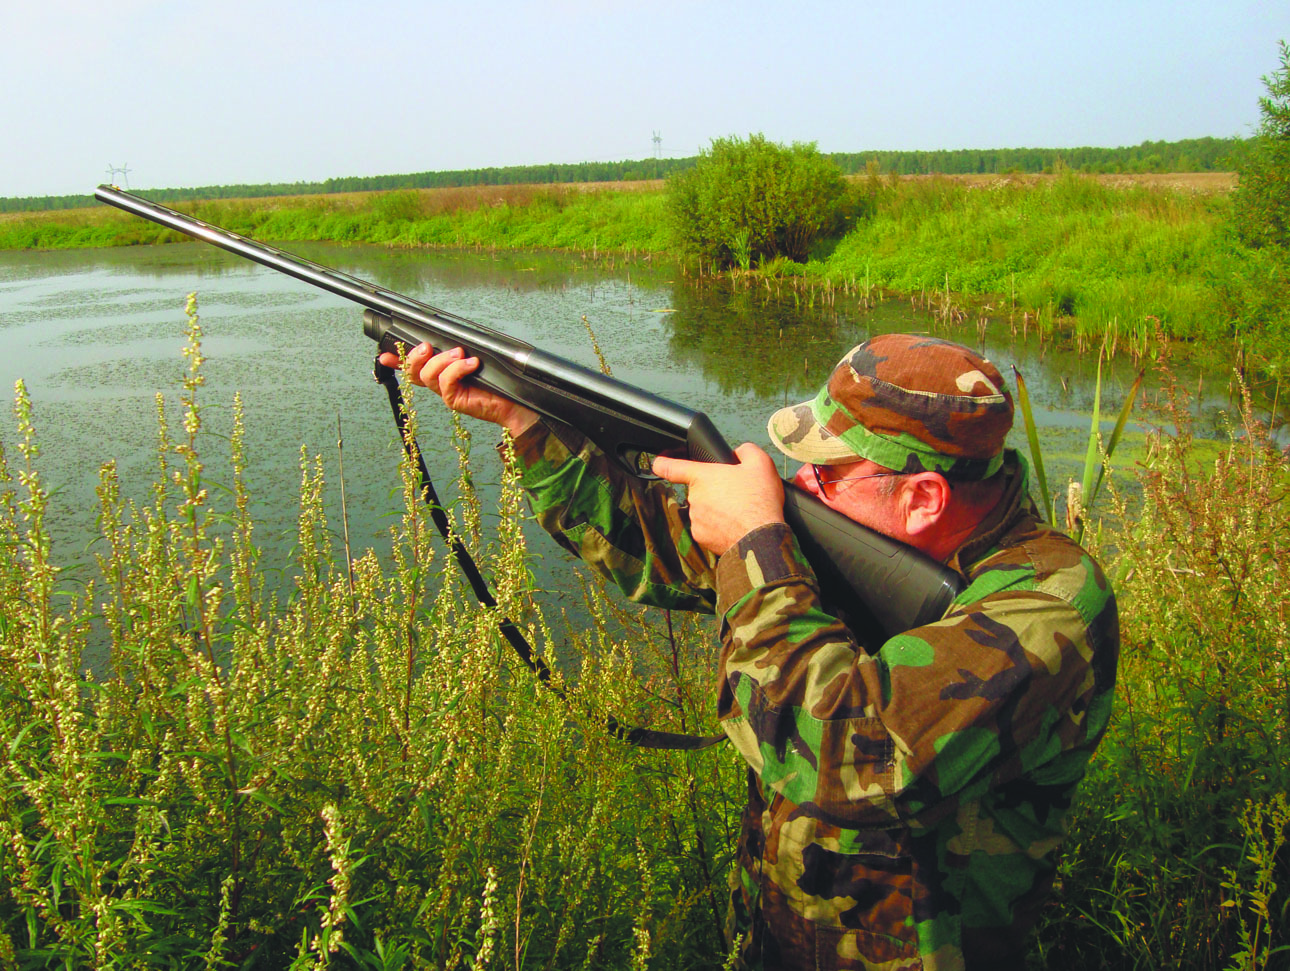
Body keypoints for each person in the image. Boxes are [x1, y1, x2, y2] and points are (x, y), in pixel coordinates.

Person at [381, 333, 1119, 971]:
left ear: (923, 497)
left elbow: (844, 754)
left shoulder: (1049, 607)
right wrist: (523, 418)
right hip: (781, 935)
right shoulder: (866, 536)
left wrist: (755, 540)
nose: (797, 485)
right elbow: (651, 543)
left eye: (823, 472)